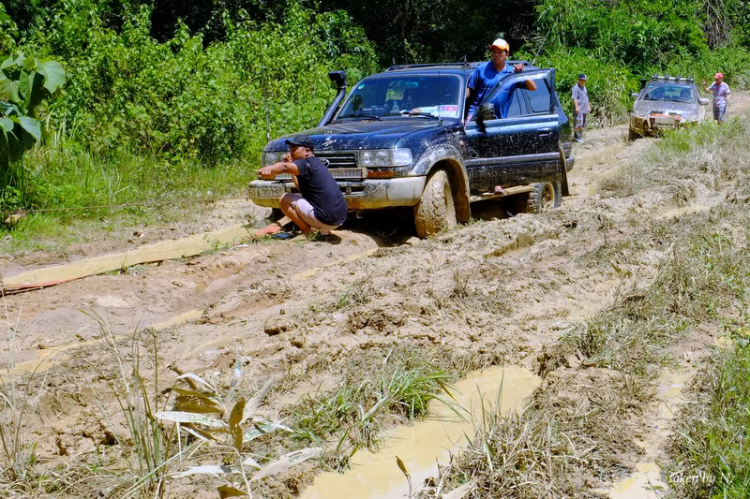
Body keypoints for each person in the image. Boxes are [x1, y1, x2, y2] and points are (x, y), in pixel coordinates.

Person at [257, 135, 347, 237]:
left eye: (295, 149)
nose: (291, 152)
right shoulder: (314, 163)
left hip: (326, 219)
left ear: (307, 151)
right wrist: (291, 165)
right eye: (290, 149)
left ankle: (307, 232)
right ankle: (324, 232)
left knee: (284, 199)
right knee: (299, 196)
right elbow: (299, 186)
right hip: (338, 220)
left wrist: (268, 169)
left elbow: (283, 166)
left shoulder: (305, 163)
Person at [465, 38, 536, 121]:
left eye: (499, 52)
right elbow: (469, 90)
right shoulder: (481, 70)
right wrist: (467, 114)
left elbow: (533, 87)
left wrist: (522, 73)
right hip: (476, 121)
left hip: (499, 123)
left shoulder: (512, 73)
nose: (496, 54)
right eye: (494, 51)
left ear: (507, 54)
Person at [571, 74, 589, 143]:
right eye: (581, 80)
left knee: (582, 124)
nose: (582, 81)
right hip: (579, 110)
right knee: (578, 124)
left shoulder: (584, 87)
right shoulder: (575, 88)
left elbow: (586, 98)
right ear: (578, 79)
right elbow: (574, 98)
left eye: (584, 80)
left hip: (584, 109)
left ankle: (580, 136)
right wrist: (576, 107)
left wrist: (588, 106)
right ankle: (577, 137)